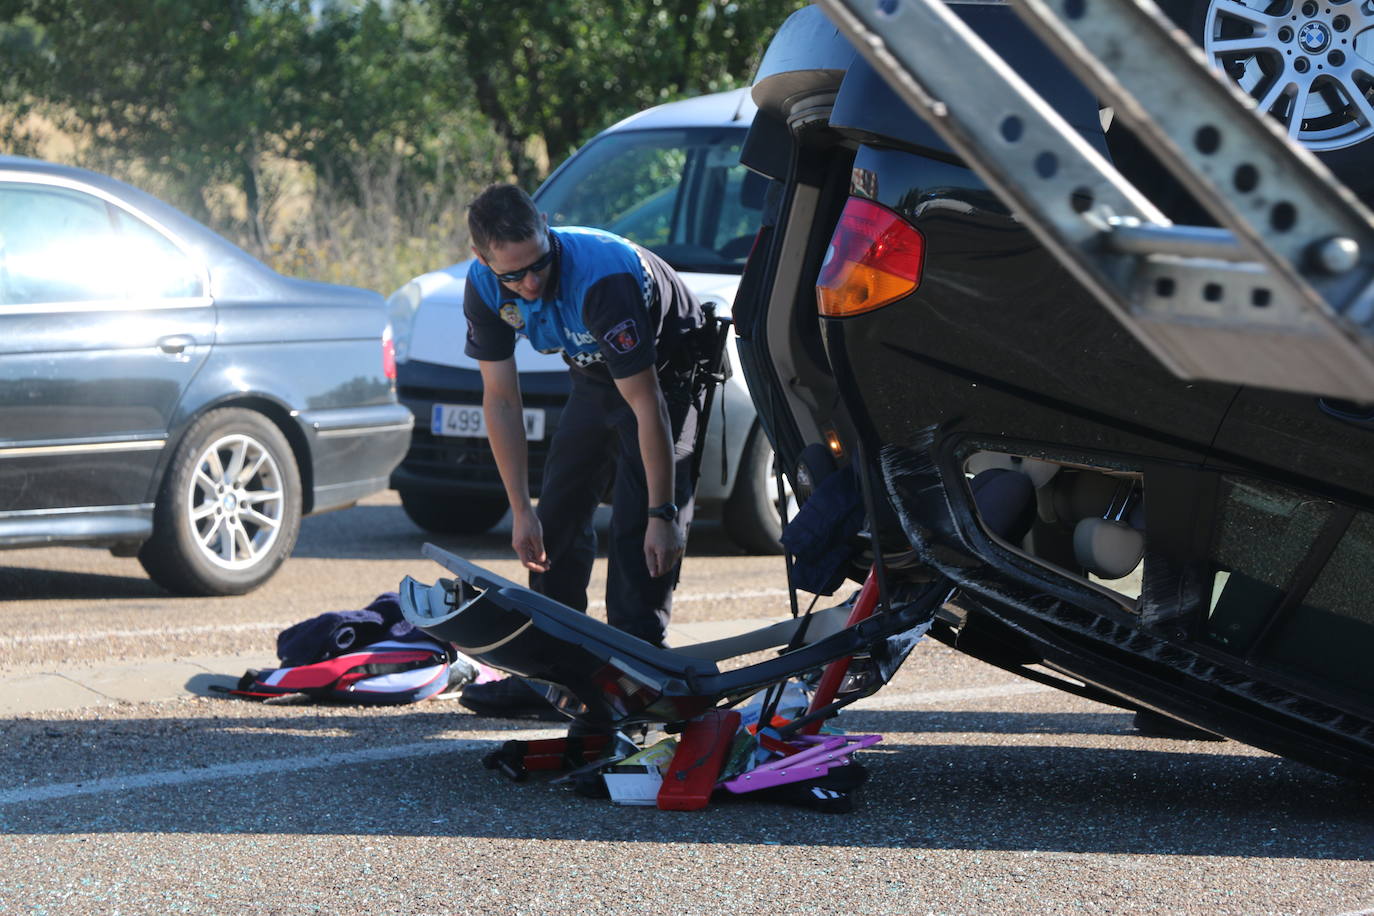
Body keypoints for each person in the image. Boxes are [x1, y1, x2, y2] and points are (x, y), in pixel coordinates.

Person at [455, 184, 704, 719]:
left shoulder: (602, 277)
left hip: (667, 373)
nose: (530, 282)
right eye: (513, 275)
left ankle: (637, 674)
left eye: (539, 264)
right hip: (593, 375)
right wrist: (520, 510)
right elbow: (500, 400)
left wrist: (664, 513)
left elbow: (647, 403)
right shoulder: (483, 287)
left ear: (546, 226)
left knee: (641, 530)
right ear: (481, 259)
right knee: (556, 518)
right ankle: (556, 676)